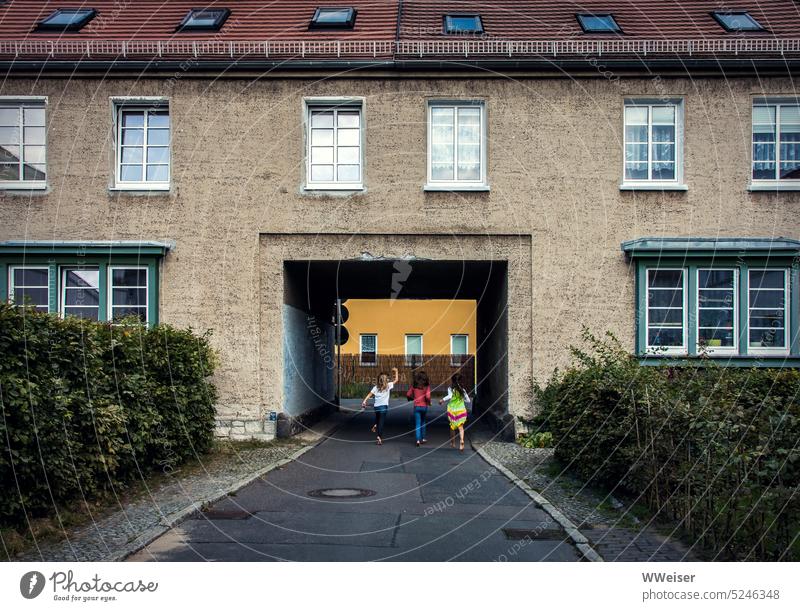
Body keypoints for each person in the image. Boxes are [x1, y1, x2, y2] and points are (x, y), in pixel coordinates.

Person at [361, 367, 399, 445]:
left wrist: (364, 401)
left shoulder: (376, 387)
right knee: (381, 422)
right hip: (384, 407)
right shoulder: (388, 386)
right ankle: (379, 437)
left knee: (378, 418)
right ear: (386, 380)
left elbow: (369, 394)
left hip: (376, 407)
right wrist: (396, 371)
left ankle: (375, 424)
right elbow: (396, 380)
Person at [439, 373, 470, 452]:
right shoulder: (463, 390)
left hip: (453, 411)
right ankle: (462, 440)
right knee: (461, 427)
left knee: (452, 427)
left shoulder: (451, 389)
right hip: (461, 410)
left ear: (452, 381)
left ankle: (453, 443)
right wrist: (462, 399)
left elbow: (449, 396)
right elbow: (468, 400)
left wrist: (442, 400)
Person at [406, 370, 431, 447]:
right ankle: (423, 438)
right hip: (424, 406)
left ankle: (417, 440)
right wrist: (429, 402)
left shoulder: (414, 386)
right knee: (423, 422)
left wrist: (412, 398)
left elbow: (408, 394)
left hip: (416, 406)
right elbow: (428, 396)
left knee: (417, 424)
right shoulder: (427, 386)